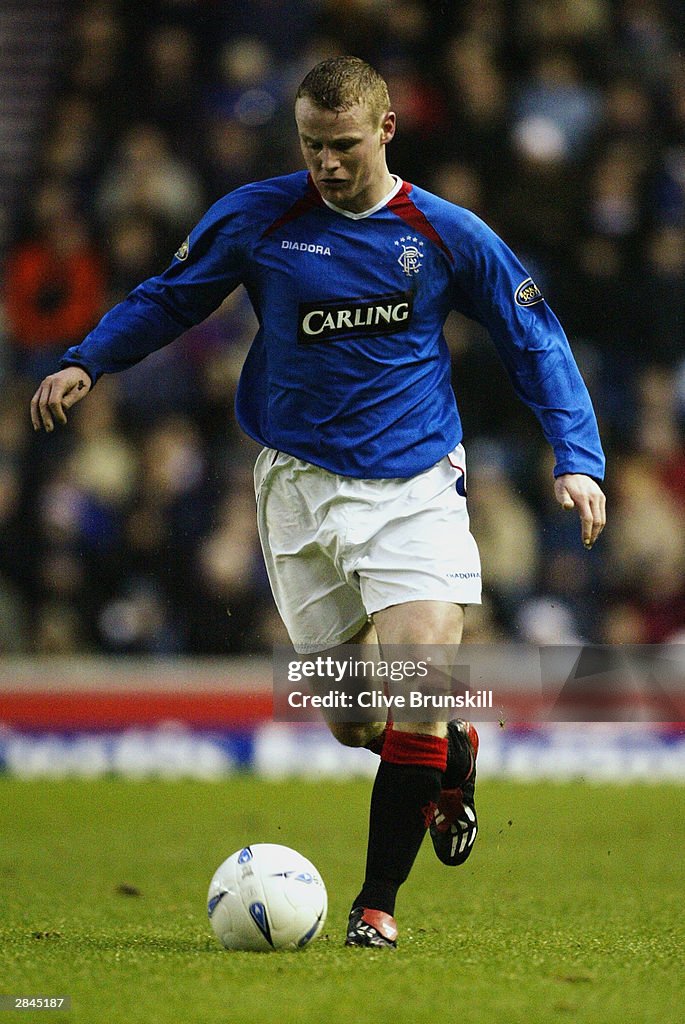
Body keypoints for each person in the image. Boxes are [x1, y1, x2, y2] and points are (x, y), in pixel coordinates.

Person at [30, 56, 607, 949]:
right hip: (297, 487)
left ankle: (375, 909)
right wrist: (86, 358)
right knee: (348, 719)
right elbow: (170, 298)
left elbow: (533, 338)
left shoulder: (445, 232)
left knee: (419, 679)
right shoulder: (260, 215)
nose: (326, 164)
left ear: (384, 131)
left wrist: (577, 457)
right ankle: (450, 758)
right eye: (310, 145)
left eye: (341, 146)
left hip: (415, 485)